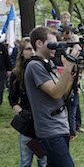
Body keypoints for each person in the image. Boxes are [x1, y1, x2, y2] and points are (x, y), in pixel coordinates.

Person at [24, 26, 79, 167]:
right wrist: (67, 67)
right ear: (39, 43)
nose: (55, 48)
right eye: (52, 43)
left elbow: (62, 95)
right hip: (49, 130)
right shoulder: (34, 66)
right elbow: (55, 93)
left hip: (60, 126)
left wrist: (71, 79)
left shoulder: (50, 64)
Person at [8, 37, 47, 167]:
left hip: (43, 121)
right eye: (28, 49)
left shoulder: (44, 69)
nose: (32, 52)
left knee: (44, 161)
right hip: (27, 123)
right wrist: (23, 114)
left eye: (34, 49)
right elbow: (13, 100)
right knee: (25, 161)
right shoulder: (16, 74)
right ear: (22, 52)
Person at [0, 42, 12, 107]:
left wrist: (9, 69)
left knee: (1, 88)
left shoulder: (2, 47)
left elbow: (7, 58)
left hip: (1, 71)